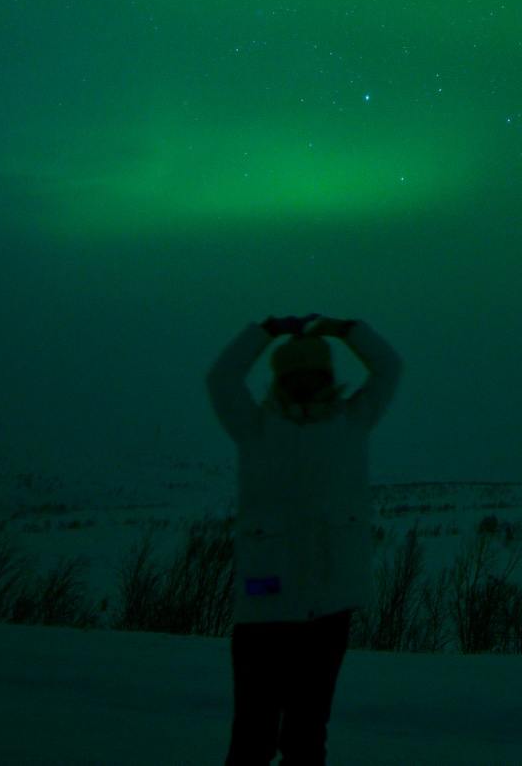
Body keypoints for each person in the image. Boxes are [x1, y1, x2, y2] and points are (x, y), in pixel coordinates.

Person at [206, 314, 403, 766]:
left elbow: (389, 366)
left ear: (329, 375)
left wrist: (348, 329)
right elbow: (221, 379)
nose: (305, 382)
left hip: (329, 610)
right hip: (264, 607)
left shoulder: (352, 420)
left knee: (306, 738)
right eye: (295, 374)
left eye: (315, 373)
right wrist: (262, 331)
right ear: (281, 378)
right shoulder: (256, 427)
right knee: (252, 739)